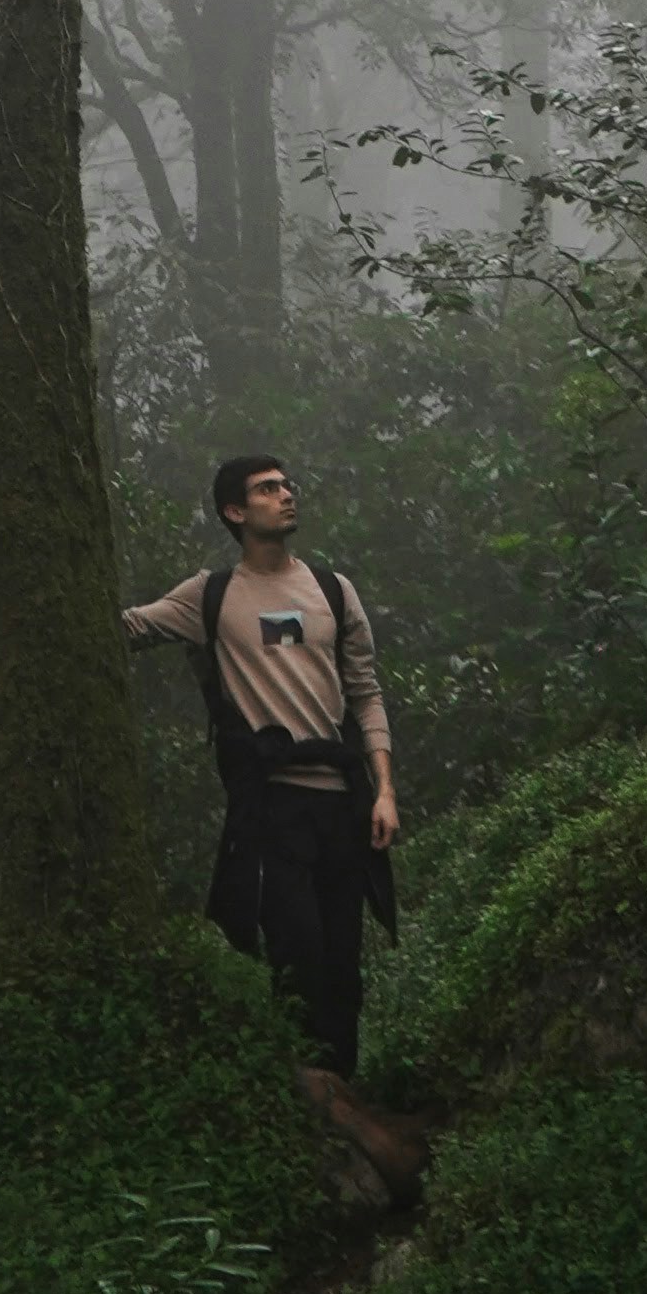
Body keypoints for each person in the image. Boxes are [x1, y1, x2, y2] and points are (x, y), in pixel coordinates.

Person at [124, 450, 403, 1109]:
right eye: (268, 488)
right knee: (297, 957)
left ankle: (347, 1100)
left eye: (287, 485)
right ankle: (307, 1105)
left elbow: (365, 693)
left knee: (343, 965)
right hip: (272, 806)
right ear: (234, 511)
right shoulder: (212, 595)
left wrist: (385, 789)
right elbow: (131, 627)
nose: (286, 494)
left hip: (342, 802)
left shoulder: (333, 590)